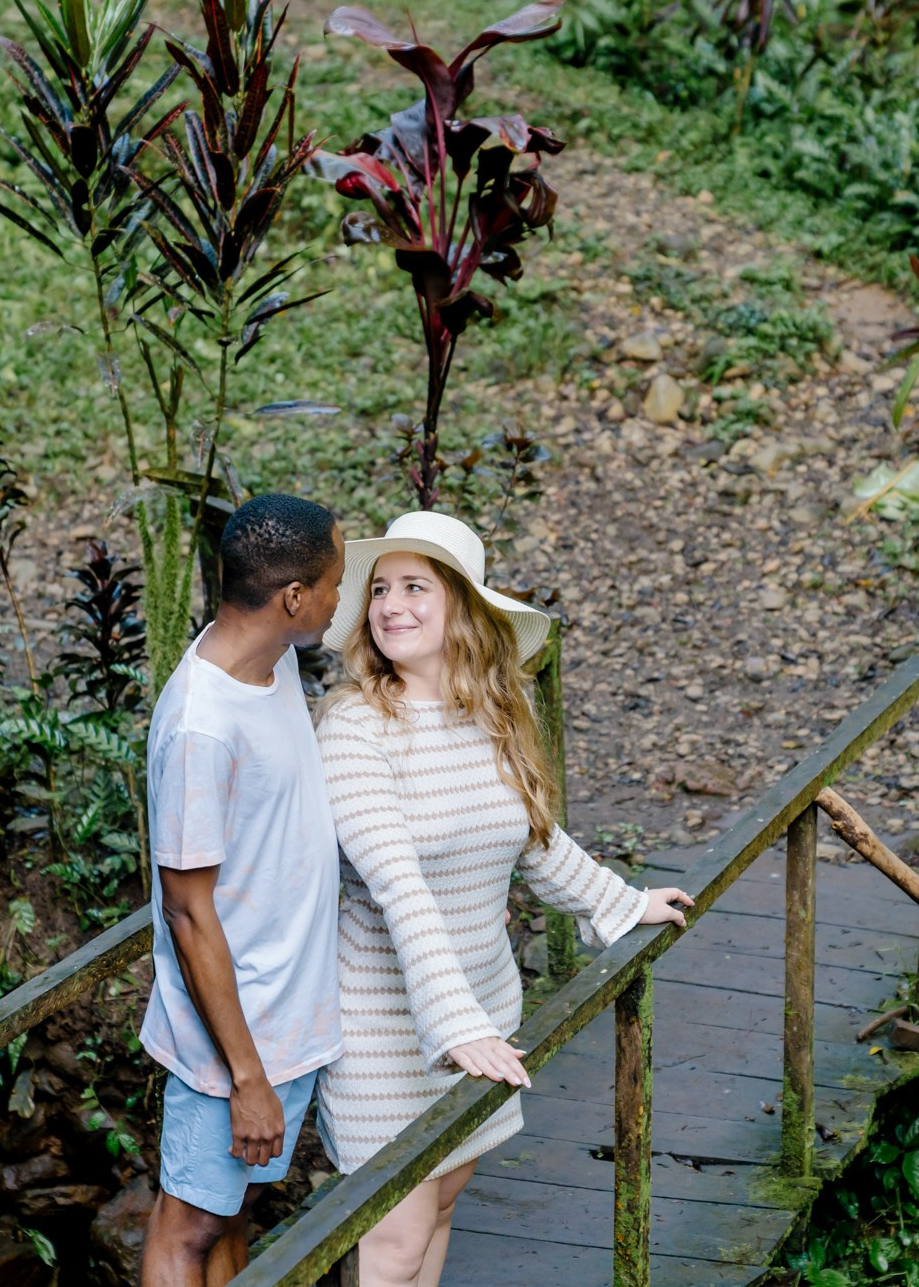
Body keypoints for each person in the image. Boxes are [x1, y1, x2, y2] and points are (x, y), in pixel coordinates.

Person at [314, 511, 694, 1287]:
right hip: (386, 1025)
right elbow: (397, 883)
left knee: (444, 1206)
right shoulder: (354, 724)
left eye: (415, 586)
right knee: (393, 1246)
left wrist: (622, 902)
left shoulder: (488, 713)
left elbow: (535, 840)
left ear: (462, 604)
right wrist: (454, 1024)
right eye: (380, 588)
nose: (391, 605)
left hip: (483, 1002)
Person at [138, 494, 347, 1287]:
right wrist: (246, 1077)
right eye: (333, 581)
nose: (339, 597)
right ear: (292, 597)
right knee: (186, 1225)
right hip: (234, 1042)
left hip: (285, 1015)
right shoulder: (201, 725)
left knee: (234, 1214)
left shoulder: (275, 660)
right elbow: (189, 912)